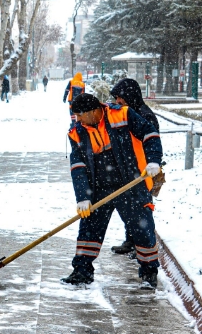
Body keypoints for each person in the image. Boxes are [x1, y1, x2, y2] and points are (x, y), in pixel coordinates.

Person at [61, 93, 163, 288]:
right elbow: (78, 166)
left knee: (142, 229)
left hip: (131, 182)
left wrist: (153, 160)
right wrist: (83, 197)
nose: (77, 120)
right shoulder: (77, 132)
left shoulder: (122, 115)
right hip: (98, 188)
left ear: (93, 112)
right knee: (89, 229)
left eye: (80, 115)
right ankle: (82, 271)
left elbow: (149, 134)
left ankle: (149, 273)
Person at [108, 78, 161, 257]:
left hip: (143, 169)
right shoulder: (127, 112)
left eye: (119, 98)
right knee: (130, 209)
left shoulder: (144, 114)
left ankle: (142, 246)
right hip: (130, 168)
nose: (117, 102)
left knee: (142, 210)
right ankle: (132, 241)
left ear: (129, 96)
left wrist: (151, 163)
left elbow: (151, 140)